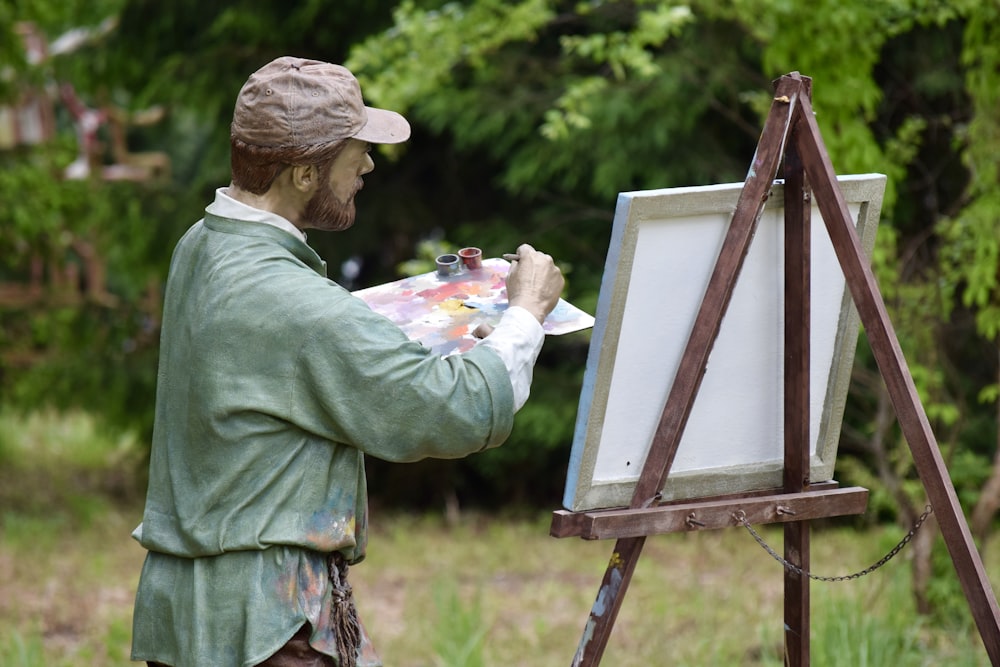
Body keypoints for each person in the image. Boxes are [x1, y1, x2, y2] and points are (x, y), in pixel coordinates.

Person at [130, 56, 564, 667]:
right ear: (305, 173)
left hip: (192, 616)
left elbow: (285, 362)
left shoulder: (203, 246)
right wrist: (525, 314)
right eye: (354, 151)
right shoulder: (292, 300)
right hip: (267, 630)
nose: (368, 165)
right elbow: (459, 409)